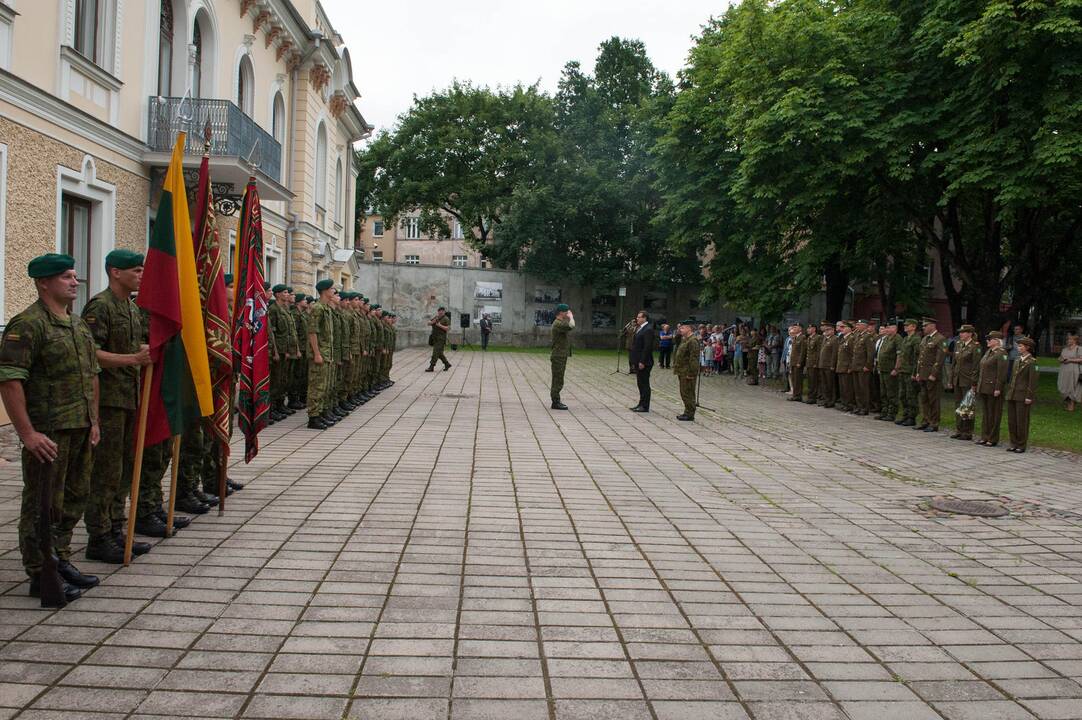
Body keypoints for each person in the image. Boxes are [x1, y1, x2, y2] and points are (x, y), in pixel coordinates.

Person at [0, 254, 102, 606]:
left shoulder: (76, 324)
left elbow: (91, 374)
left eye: (75, 276)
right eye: (66, 277)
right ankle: (40, 571)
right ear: (44, 283)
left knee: (74, 498)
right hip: (49, 430)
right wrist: (27, 434)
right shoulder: (27, 324)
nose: (75, 282)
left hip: (79, 426)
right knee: (43, 504)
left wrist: (95, 420)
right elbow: (10, 380)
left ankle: (60, 559)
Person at [81, 250, 160, 564]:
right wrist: (133, 359)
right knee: (106, 472)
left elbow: (130, 345)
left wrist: (141, 350)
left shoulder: (129, 307)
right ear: (115, 272)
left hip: (129, 397)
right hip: (109, 402)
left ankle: (115, 528)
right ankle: (98, 536)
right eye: (136, 271)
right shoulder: (100, 307)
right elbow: (91, 354)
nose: (141, 276)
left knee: (125, 468)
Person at [306, 280, 336, 429]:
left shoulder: (326, 309)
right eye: (332, 289)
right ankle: (313, 417)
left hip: (327, 353)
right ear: (324, 291)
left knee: (325, 385)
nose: (334, 291)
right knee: (316, 385)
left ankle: (321, 413)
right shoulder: (317, 308)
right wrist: (317, 353)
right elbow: (312, 332)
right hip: (320, 354)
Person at [949, 324, 981, 440]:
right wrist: (951, 379)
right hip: (958, 379)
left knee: (967, 405)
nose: (960, 334)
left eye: (963, 332)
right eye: (960, 332)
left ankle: (967, 432)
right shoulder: (958, 344)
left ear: (970, 334)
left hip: (967, 380)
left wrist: (974, 382)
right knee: (958, 405)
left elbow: (976, 366)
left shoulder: (975, 347)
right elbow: (954, 364)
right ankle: (959, 429)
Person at [977, 331, 1009, 446]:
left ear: (997, 341)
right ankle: (985, 436)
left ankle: (992, 438)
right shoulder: (989, 352)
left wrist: (998, 387)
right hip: (985, 387)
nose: (987, 341)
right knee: (986, 413)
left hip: (993, 388)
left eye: (990, 339)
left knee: (994, 413)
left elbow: (1002, 373)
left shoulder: (1001, 353)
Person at [1006, 337, 1038, 453]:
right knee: (1012, 420)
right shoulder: (1017, 359)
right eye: (1018, 346)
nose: (1018, 348)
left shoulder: (1032, 362)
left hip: (1023, 395)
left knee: (1021, 421)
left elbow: (1032, 381)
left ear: (1027, 348)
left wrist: (1029, 396)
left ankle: (1021, 444)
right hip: (1013, 394)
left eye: (1021, 346)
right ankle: (1013, 443)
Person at [629, 310, 655, 412]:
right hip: (638, 360)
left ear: (645, 318)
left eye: (639, 317)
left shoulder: (648, 329)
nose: (637, 319)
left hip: (644, 362)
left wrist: (642, 361)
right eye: (637, 317)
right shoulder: (641, 328)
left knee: (644, 384)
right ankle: (641, 403)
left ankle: (645, 406)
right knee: (640, 383)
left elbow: (647, 347)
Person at [673, 319, 700, 421]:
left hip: (687, 372)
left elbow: (694, 359)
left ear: (689, 328)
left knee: (688, 392)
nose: (680, 329)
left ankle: (690, 413)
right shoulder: (685, 339)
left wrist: (692, 373)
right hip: (682, 370)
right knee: (684, 392)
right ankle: (687, 411)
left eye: (683, 327)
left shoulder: (693, 341)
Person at [896, 319, 921, 426]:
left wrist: (915, 372)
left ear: (913, 327)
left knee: (911, 395)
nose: (905, 327)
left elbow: (917, 357)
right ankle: (905, 415)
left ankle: (912, 417)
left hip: (910, 370)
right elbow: (901, 355)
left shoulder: (916, 339)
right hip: (903, 370)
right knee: (903, 394)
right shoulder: (905, 339)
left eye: (907, 325)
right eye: (905, 325)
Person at [874, 320, 901, 421]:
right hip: (883, 369)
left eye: (889, 327)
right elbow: (881, 353)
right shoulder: (886, 339)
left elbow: (899, 354)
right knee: (883, 392)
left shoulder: (897, 338)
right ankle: (884, 411)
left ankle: (892, 413)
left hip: (890, 369)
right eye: (887, 328)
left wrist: (896, 368)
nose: (887, 329)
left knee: (891, 392)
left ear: (895, 328)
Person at [550, 304, 574, 410]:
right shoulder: (558, 324)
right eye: (566, 311)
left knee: (558, 378)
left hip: (560, 355)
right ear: (561, 312)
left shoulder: (559, 323)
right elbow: (572, 326)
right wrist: (571, 317)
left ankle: (556, 400)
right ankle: (555, 402)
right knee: (558, 379)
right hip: (558, 356)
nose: (567, 313)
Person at [850, 319, 871, 416]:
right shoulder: (858, 336)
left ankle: (864, 407)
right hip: (855, 365)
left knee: (863, 388)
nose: (857, 326)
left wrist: (867, 365)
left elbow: (870, 353)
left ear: (864, 326)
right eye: (857, 324)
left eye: (859, 325)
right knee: (857, 388)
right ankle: (859, 406)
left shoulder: (867, 337)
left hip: (863, 366)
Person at [1057, 333, 1082, 411]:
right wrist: (1061, 359)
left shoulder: (1079, 348)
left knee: (1072, 387)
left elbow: (1081, 359)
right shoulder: (1064, 349)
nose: (1068, 340)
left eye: (1070, 339)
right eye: (1068, 339)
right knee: (1063, 386)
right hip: (1064, 370)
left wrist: (1070, 360)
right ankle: (1068, 404)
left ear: (1075, 340)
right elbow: (1060, 357)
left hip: (1074, 370)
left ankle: (1071, 406)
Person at [817, 322, 838, 407]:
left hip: (829, 365)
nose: (826, 331)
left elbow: (834, 353)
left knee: (830, 384)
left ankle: (831, 401)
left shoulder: (835, 339)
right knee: (824, 384)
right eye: (825, 330)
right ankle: (826, 400)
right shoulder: (825, 339)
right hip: (822, 364)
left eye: (828, 330)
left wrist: (833, 365)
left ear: (833, 330)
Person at [427, 306, 451, 372]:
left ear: (444, 312)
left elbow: (448, 328)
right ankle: (447, 364)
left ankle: (431, 366)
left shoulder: (446, 319)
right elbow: (428, 323)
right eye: (439, 311)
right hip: (434, 338)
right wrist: (432, 322)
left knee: (435, 352)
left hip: (441, 339)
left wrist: (440, 325)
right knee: (439, 353)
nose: (440, 312)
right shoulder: (436, 317)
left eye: (442, 311)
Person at [786, 323, 806, 401]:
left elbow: (802, 351)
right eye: (793, 327)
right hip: (793, 361)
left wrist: (800, 362)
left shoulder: (802, 337)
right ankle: (795, 394)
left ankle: (798, 395)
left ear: (800, 329)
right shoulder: (795, 337)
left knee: (798, 379)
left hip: (797, 362)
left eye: (795, 327)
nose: (793, 328)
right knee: (794, 379)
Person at [803, 323, 821, 404]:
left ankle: (813, 397)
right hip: (809, 362)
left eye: (809, 328)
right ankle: (809, 396)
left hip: (814, 363)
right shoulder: (809, 338)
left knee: (813, 381)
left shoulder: (817, 338)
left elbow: (818, 352)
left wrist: (816, 363)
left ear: (814, 329)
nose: (807, 330)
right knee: (809, 380)